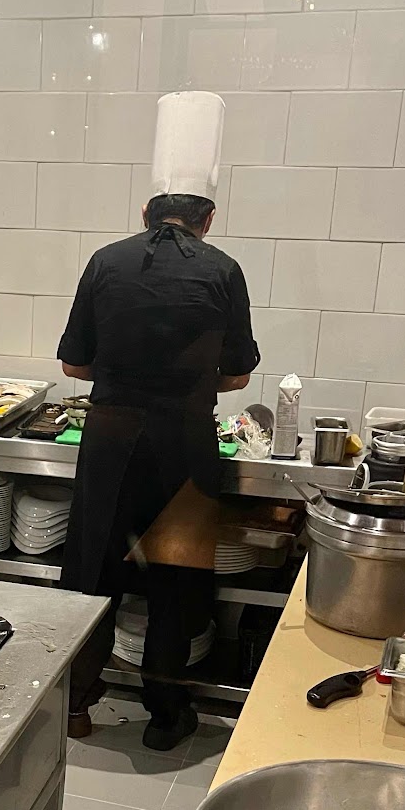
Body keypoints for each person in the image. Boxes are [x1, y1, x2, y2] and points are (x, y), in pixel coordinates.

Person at [57, 175, 259, 754]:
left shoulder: (105, 262)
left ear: (145, 210)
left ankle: (74, 707)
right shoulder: (224, 270)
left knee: (92, 575)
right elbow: (238, 375)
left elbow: (73, 366)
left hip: (111, 439)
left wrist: (123, 375)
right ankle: (166, 719)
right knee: (174, 577)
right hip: (184, 441)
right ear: (208, 219)